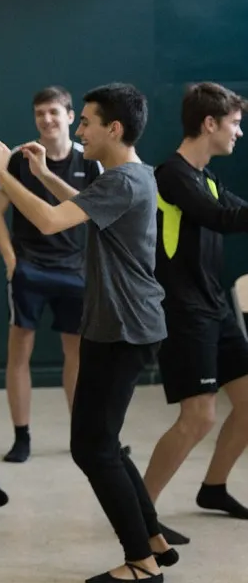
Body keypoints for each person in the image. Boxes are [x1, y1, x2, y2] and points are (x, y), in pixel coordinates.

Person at [0, 82, 175, 582]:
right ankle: (152, 537)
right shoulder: (129, 177)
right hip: (123, 325)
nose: (78, 130)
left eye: (86, 122)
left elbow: (51, 222)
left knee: (92, 448)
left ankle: (141, 563)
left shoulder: (122, 180)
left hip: (123, 328)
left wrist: (4, 174)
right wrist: (46, 173)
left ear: (114, 128)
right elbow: (87, 206)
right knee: (104, 442)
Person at [143, 83, 248, 535]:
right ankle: (140, 513)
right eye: (235, 123)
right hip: (184, 312)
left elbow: (235, 210)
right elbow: (221, 218)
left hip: (216, 305)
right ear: (210, 123)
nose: (239, 132)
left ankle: (214, 487)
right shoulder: (172, 175)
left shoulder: (206, 177)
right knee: (199, 416)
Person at [0, 86, 100, 463]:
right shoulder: (20, 160)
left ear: (71, 116)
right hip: (30, 268)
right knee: (19, 351)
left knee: (77, 353)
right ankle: (22, 437)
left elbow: (99, 214)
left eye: (54, 112)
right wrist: (11, 260)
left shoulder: (92, 161)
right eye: (40, 114)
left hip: (75, 270)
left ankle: (81, 434)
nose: (47, 120)